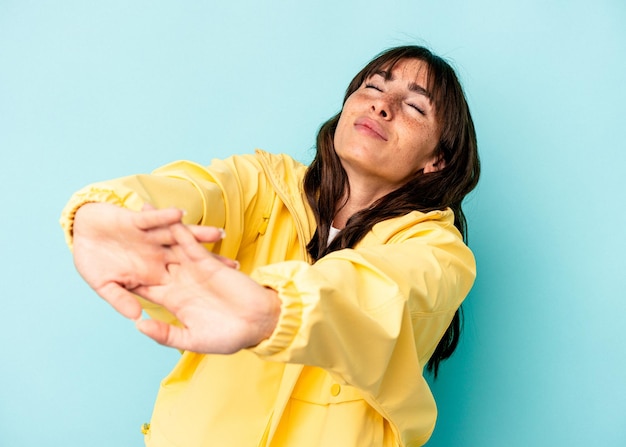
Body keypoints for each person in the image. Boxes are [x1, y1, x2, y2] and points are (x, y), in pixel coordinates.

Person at [60, 45, 480, 447]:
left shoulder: (438, 252)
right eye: (372, 86)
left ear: (437, 160)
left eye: (414, 106)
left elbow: (380, 293)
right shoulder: (265, 182)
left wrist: (275, 311)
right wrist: (118, 214)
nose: (381, 104)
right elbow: (200, 191)